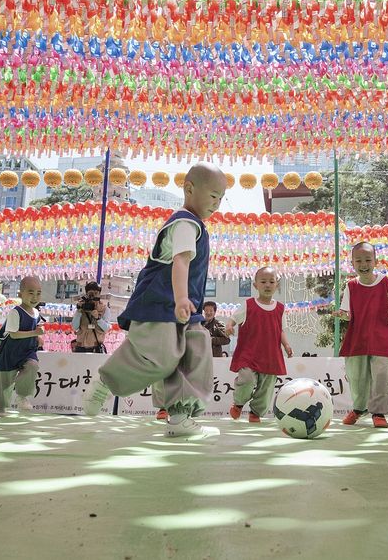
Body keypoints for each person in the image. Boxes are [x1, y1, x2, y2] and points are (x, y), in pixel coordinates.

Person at [82, 163, 227, 439]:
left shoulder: (195, 225)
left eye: (221, 198)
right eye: (212, 196)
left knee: (196, 348)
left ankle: (180, 418)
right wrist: (182, 298)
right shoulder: (185, 222)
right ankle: (105, 382)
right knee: (160, 358)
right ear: (189, 189)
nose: (217, 203)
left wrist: (186, 302)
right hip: (162, 304)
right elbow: (181, 261)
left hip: (184, 310)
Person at [335, 242, 388, 429]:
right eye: (359, 261)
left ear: (375, 261)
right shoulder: (351, 286)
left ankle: (378, 412)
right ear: (352, 263)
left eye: (367, 260)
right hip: (358, 336)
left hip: (382, 336)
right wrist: (342, 314)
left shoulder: (385, 283)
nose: (363, 264)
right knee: (356, 376)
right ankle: (359, 408)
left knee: (382, 375)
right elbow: (347, 312)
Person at [227, 267, 292, 422]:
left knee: (267, 386)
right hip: (248, 354)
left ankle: (256, 412)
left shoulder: (281, 308)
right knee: (247, 379)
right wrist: (229, 325)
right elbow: (234, 318)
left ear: (277, 285)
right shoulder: (248, 304)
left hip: (271, 355)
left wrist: (287, 345)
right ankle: (239, 403)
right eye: (263, 282)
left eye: (271, 282)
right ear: (255, 285)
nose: (267, 285)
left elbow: (280, 330)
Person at [0, 276, 44, 415]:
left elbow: (35, 330)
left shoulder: (37, 313)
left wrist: (38, 337)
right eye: (31, 292)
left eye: (38, 293)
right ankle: (0, 409)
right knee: (3, 385)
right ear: (20, 294)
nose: (35, 297)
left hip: (27, 351)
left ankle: (22, 396)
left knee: (32, 365)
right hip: (10, 352)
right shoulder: (15, 312)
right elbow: (14, 334)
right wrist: (35, 332)